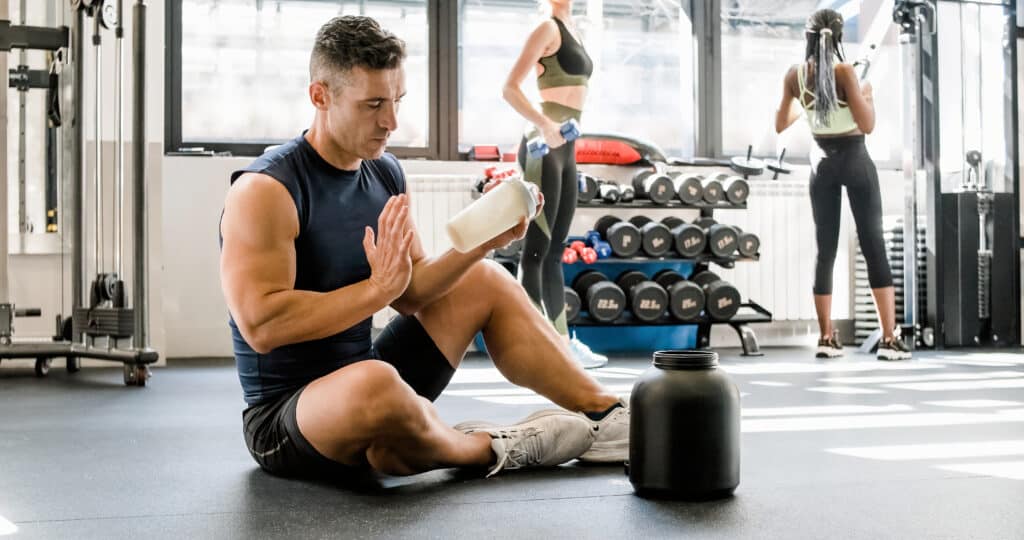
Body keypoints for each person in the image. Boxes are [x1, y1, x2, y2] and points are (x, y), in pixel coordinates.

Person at [218, 15, 628, 482]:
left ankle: (606, 414)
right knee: (375, 386)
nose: (391, 121)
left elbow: (412, 292)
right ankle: (488, 448)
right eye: (373, 104)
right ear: (320, 96)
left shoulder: (384, 172)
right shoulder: (266, 190)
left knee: (485, 279)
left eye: (396, 101)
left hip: (373, 378)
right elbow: (262, 325)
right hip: (288, 418)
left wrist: (485, 244)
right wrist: (374, 293)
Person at [774, 8, 911, 361]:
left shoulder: (794, 76)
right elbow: (866, 125)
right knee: (873, 245)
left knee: (825, 251)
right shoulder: (845, 71)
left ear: (807, 37)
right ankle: (888, 341)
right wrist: (866, 96)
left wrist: (810, 103)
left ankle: (825, 338)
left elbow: (781, 123)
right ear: (837, 38)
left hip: (822, 165)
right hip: (854, 160)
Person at [502, 0, 607, 369]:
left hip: (566, 144)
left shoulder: (574, 28)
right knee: (536, 248)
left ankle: (560, 343)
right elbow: (510, 88)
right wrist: (544, 125)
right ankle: (535, 345)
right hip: (543, 145)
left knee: (555, 249)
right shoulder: (547, 28)